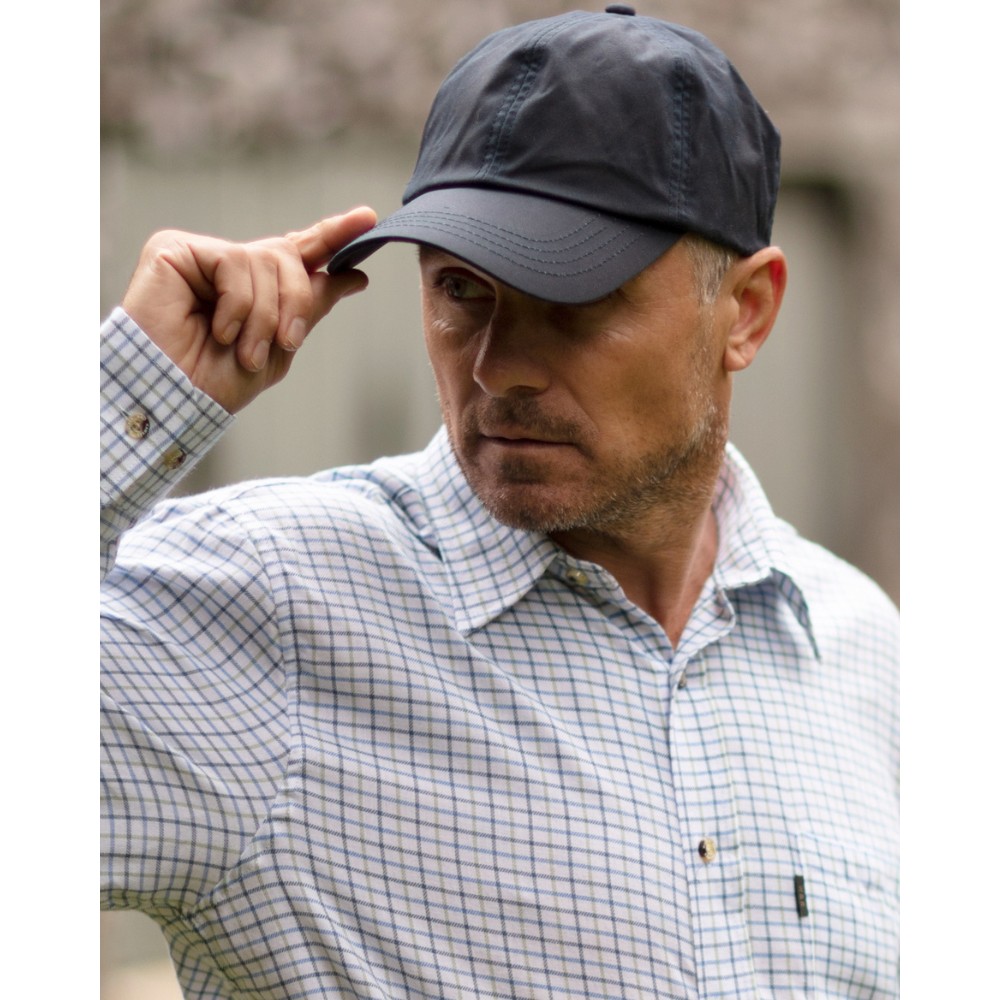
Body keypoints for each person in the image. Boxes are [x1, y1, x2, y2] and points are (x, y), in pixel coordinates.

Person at [101, 7, 898, 999]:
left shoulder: (865, 655)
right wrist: (126, 398)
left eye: (574, 303)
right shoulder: (267, 606)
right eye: (463, 291)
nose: (501, 367)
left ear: (745, 312)